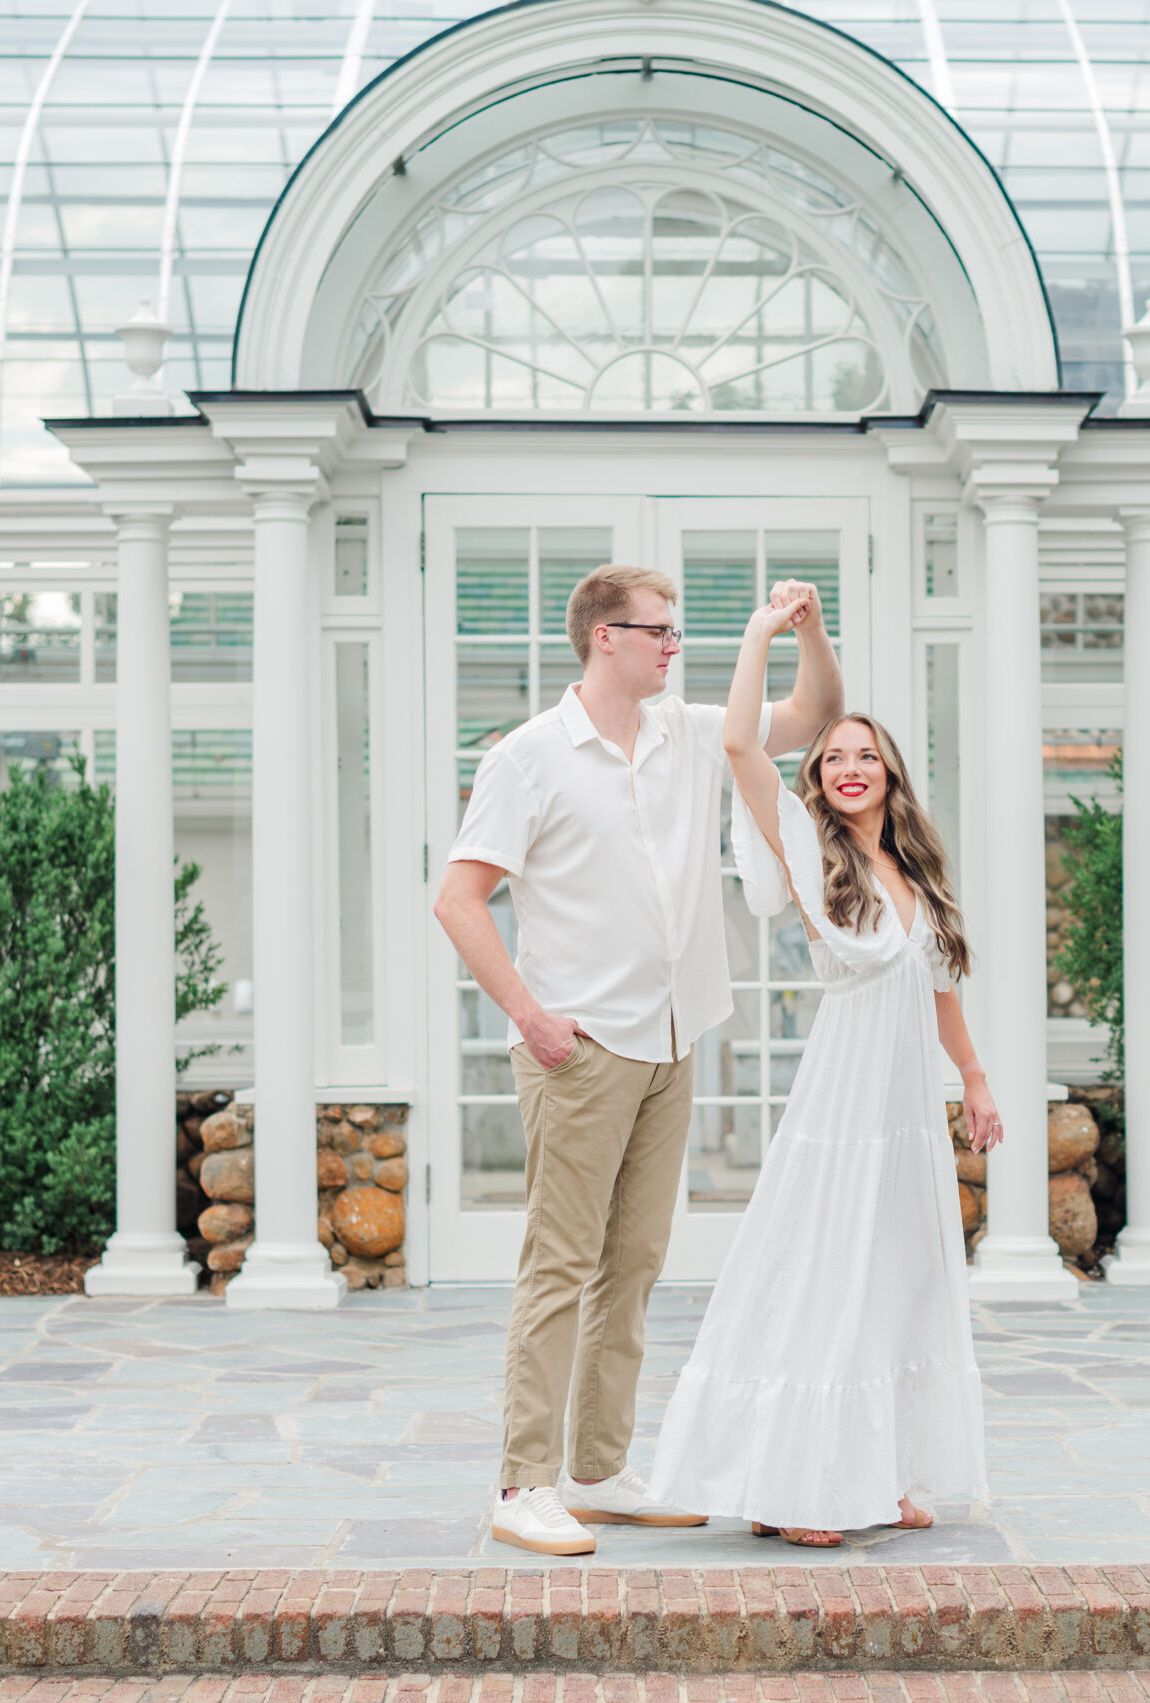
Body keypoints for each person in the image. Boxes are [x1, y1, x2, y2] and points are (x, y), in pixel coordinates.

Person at [433, 563, 843, 1557]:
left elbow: (817, 711)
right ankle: (522, 1479)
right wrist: (530, 1017)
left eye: (675, 631)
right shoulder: (528, 757)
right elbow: (457, 897)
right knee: (560, 1263)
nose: (672, 645)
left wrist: (809, 629)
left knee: (634, 1263)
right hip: (581, 1045)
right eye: (655, 630)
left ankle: (598, 1469)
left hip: (672, 1033)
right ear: (602, 637)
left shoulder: (692, 732)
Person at [646, 589, 999, 1547]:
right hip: (843, 1094)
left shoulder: (915, 870)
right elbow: (736, 747)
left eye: (864, 754)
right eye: (831, 757)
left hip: (906, 1108)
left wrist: (972, 1077)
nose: (848, 768)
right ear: (819, 779)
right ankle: (786, 1482)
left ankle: (874, 1474)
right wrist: (767, 631)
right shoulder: (809, 844)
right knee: (824, 1272)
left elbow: (937, 991)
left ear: (890, 773)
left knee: (896, 1278)